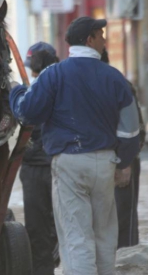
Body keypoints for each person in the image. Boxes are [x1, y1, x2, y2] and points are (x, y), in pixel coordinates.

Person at [9, 16, 140, 275]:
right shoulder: (115, 78)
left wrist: (15, 92)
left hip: (69, 164)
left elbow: (27, 113)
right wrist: (123, 163)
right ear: (89, 39)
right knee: (104, 236)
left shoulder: (53, 75)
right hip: (105, 164)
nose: (104, 39)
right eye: (100, 34)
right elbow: (131, 131)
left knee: (76, 237)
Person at [20, 41, 60, 275]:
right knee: (38, 228)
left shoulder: (55, 87)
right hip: (36, 167)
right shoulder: (29, 90)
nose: (33, 73)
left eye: (34, 68)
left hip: (54, 165)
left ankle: (51, 264)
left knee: (55, 226)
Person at [101, 48, 146, 249]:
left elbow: (137, 129)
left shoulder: (119, 84)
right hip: (106, 161)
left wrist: (125, 163)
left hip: (119, 161)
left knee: (123, 222)